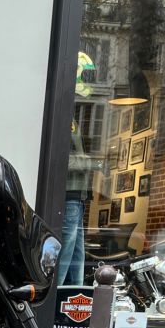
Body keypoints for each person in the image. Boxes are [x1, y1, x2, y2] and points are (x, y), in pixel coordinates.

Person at [59, 121, 93, 286]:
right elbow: (60, 157)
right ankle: (54, 293)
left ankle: (75, 294)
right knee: (67, 253)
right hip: (70, 196)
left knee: (76, 255)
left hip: (76, 197)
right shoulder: (66, 119)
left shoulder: (71, 121)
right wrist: (88, 162)